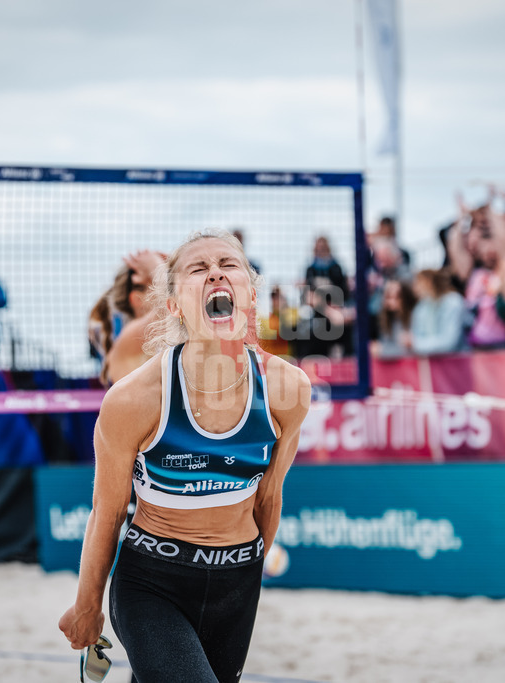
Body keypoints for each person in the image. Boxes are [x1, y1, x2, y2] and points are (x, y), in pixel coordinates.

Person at [58, 229, 311, 683]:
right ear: (172, 304)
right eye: (198, 268)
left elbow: (269, 499)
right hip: (153, 581)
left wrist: (247, 575)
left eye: (229, 264)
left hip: (237, 584)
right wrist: (88, 604)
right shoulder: (133, 399)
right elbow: (107, 511)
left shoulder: (287, 389)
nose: (215, 271)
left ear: (250, 295)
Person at [101, 250, 166, 385]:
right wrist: (158, 268)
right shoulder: (129, 337)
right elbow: (176, 306)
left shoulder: (169, 340)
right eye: (156, 285)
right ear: (137, 299)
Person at [410, 268, 468, 356]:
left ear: (429, 282)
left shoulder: (453, 302)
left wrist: (416, 344)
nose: (414, 288)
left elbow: (449, 342)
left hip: (457, 362)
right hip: (431, 364)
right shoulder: (421, 307)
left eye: (418, 283)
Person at [372, 278, 416, 359]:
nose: (392, 301)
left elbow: (409, 350)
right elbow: (385, 343)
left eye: (397, 297)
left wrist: (382, 351)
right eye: (388, 296)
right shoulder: (387, 318)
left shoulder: (415, 316)